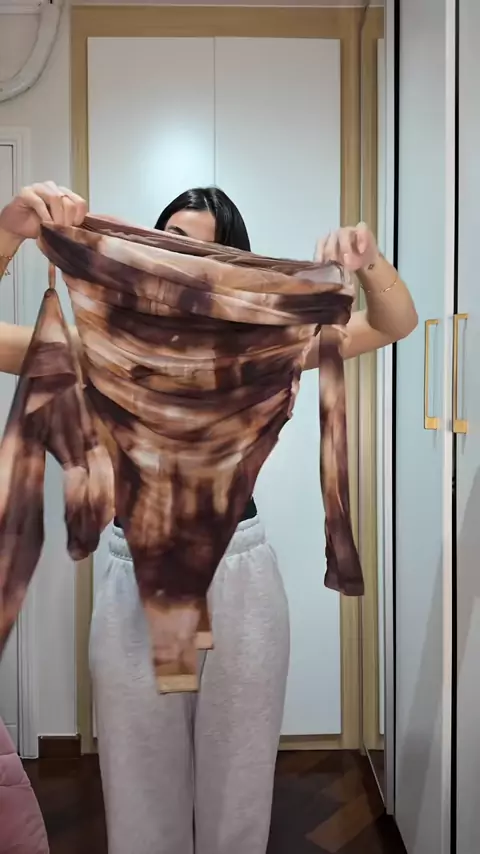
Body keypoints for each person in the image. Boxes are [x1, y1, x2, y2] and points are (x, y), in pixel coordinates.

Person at [0, 182, 417, 854]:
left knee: (238, 797)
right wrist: (10, 231)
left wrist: (368, 259)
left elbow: (395, 323)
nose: (177, 261)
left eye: (198, 251)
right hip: (131, 578)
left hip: (239, 575)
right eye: (168, 241)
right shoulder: (96, 349)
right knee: (139, 798)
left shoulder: (268, 348)